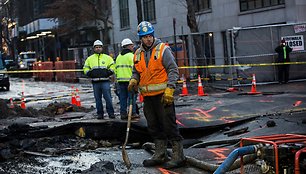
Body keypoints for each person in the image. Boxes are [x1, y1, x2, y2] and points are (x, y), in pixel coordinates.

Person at [128, 21, 185, 169]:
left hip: (163, 96)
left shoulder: (162, 50)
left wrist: (170, 89)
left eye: (150, 36)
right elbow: (136, 71)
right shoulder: (138, 53)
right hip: (148, 97)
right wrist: (134, 79)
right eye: (145, 37)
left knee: (169, 125)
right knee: (153, 126)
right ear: (140, 38)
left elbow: (173, 70)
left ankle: (179, 156)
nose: (148, 39)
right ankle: (160, 153)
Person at [83, 40, 115, 119]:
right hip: (95, 82)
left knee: (108, 99)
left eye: (99, 47)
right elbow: (85, 68)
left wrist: (108, 73)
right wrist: (89, 74)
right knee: (98, 100)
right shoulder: (90, 59)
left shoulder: (107, 58)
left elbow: (113, 66)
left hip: (105, 81)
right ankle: (100, 114)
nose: (98, 49)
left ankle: (111, 113)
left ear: (102, 48)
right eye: (96, 47)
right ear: (94, 49)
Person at [115, 38, 139, 120]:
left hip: (120, 81)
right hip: (130, 81)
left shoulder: (118, 57)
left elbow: (116, 69)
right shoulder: (132, 56)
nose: (133, 47)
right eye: (132, 46)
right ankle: (132, 113)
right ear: (128, 46)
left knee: (122, 98)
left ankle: (123, 114)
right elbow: (136, 69)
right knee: (132, 98)